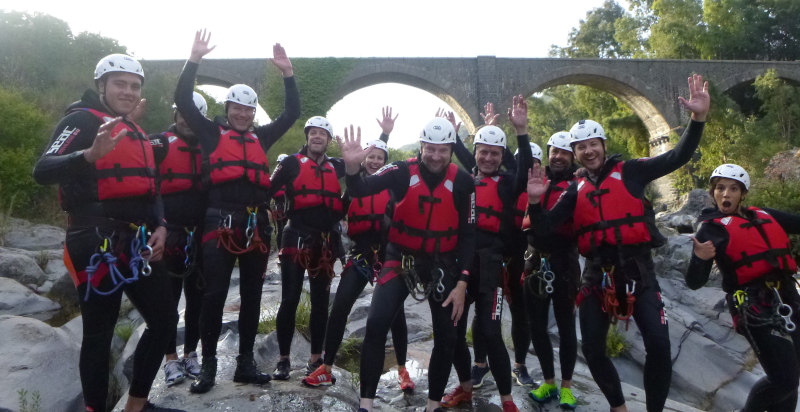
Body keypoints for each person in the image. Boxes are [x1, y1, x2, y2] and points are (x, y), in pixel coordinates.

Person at [525, 73, 709, 412]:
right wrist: (535, 202)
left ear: (603, 146)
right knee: (593, 350)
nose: (588, 150)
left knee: (658, 345)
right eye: (581, 147)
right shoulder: (574, 190)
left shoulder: (632, 172)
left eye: (593, 144)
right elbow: (546, 229)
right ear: (576, 153)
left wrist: (697, 119)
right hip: (597, 274)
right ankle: (618, 406)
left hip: (638, 270)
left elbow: (676, 158)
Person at [33, 54, 180, 412]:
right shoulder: (82, 120)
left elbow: (152, 187)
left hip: (136, 238)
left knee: (165, 320)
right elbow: (43, 169)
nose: (128, 91)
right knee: (100, 332)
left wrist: (161, 225)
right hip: (93, 239)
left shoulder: (134, 129)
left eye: (134, 86)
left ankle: (136, 406)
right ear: (102, 86)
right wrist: (87, 154)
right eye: (120, 84)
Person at [174, 30, 300, 393]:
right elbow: (183, 98)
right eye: (237, 109)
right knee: (214, 295)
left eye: (248, 109)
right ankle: (209, 365)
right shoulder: (211, 133)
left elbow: (291, 112)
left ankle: (245, 362)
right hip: (220, 221)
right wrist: (194, 59)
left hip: (256, 223)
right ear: (227, 111)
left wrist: (287, 74)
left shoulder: (261, 138)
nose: (243, 114)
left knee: (253, 296)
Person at [341, 117, 476, 412]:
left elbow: (468, 235)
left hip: (443, 263)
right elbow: (362, 189)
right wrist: (352, 168)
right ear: (421, 147)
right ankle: (366, 404)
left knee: (448, 335)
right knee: (376, 324)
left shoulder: (464, 181)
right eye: (431, 149)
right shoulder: (401, 170)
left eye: (443, 150)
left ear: (451, 149)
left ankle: (432, 405)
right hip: (401, 257)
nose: (436, 156)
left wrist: (463, 282)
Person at [303, 107, 416, 392]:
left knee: (396, 314)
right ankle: (325, 368)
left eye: (380, 158)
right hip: (362, 254)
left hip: (390, 256)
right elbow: (335, 214)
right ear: (363, 159)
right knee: (340, 306)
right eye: (371, 157)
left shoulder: (392, 186)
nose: (375, 161)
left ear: (384, 163)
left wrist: (385, 135)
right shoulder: (353, 188)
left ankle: (403, 369)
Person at [440, 98, 530, 412]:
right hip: (461, 263)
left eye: (495, 153)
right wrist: (452, 136)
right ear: (476, 154)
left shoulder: (508, 184)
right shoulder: (465, 180)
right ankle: (465, 386)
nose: (489, 158)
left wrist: (521, 132)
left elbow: (523, 170)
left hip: (492, 265)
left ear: (502, 156)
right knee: (452, 330)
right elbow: (460, 158)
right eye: (484, 152)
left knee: (491, 333)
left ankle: (506, 399)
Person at [687, 164, 800, 412]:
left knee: (792, 377)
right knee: (784, 378)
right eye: (720, 188)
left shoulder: (764, 214)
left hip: (787, 296)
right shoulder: (711, 228)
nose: (726, 194)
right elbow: (694, 282)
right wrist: (700, 258)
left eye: (733, 189)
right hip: (751, 304)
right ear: (713, 192)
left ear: (743, 193)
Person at [268, 116, 346, 380]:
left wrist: (384, 136)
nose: (317, 137)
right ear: (307, 136)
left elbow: (367, 165)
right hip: (296, 237)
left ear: (328, 140)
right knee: (289, 299)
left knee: (321, 302)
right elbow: (267, 188)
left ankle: (316, 359)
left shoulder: (337, 166)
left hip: (325, 241)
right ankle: (283, 359)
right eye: (313, 133)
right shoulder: (289, 163)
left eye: (322, 134)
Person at [149, 92, 209, 386]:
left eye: (192, 115)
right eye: (182, 114)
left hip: (199, 235)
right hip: (168, 232)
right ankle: (170, 358)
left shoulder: (209, 147)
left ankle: (191, 353)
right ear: (176, 115)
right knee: (168, 300)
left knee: (196, 298)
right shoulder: (158, 144)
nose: (186, 120)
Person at [523, 131, 580, 409]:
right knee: (536, 324)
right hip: (534, 259)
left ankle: (567, 386)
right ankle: (548, 381)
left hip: (564, 260)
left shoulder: (579, 182)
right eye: (554, 151)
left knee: (566, 325)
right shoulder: (535, 175)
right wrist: (521, 132)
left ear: (572, 156)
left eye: (565, 152)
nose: (558, 156)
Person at [272, 154, 289, 250]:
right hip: (281, 206)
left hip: (280, 206)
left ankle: (283, 250)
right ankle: (282, 250)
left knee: (282, 229)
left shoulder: (276, 175)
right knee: (283, 229)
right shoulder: (279, 175)